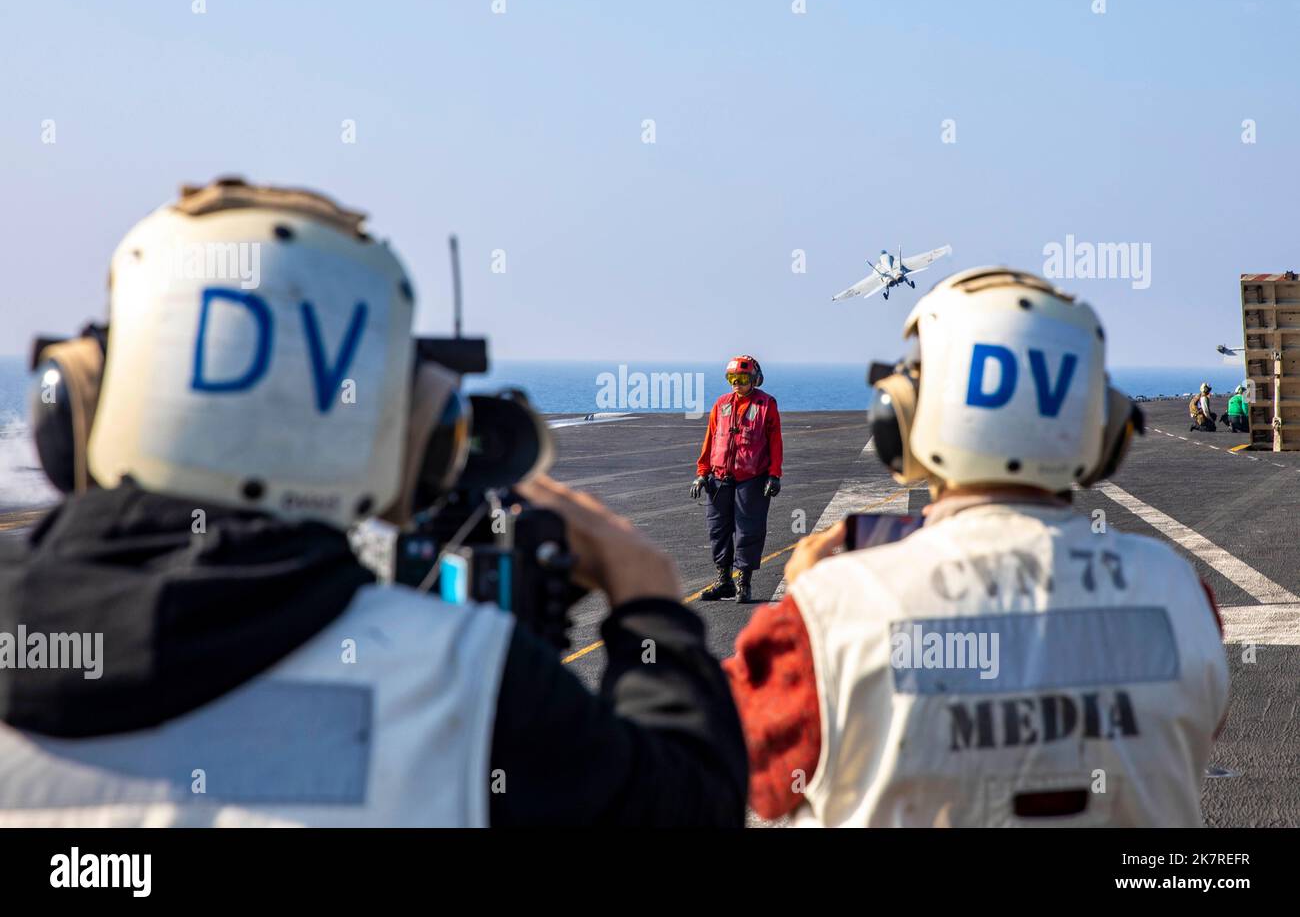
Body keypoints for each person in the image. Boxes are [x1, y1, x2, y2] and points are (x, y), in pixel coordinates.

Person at [0, 178, 746, 827]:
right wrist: (645, 593)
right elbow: (685, 803)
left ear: (75, 404)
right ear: (419, 437)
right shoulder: (461, 679)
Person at [724, 267, 1229, 827]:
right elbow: (1202, 724)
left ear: (903, 417)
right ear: (1102, 427)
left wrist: (805, 600)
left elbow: (743, 769)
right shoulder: (1182, 596)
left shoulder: (830, 611)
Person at [690, 355, 783, 604]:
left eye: (742, 379)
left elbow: (775, 442)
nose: (736, 384)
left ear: (754, 380)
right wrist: (702, 473)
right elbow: (710, 439)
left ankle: (744, 582)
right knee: (718, 531)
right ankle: (724, 581)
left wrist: (774, 475)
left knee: (748, 531)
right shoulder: (721, 404)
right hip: (719, 479)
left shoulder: (766, 405)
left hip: (752, 479)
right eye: (732, 379)